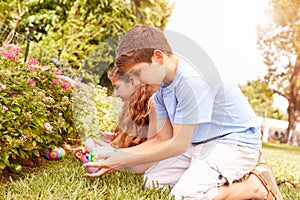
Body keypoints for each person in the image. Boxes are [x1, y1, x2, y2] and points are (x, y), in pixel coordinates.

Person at [84, 24, 284, 200]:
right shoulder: (162, 90)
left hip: (235, 144)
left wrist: (123, 159)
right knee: (153, 182)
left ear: (158, 57)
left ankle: (255, 187)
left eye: (138, 72)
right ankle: (206, 177)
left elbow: (178, 145)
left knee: (183, 196)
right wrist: (116, 154)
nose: (137, 80)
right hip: (200, 144)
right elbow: (162, 140)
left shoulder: (191, 80)